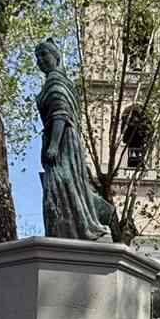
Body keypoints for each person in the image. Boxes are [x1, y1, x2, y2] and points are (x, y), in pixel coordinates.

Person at [35, 38, 113, 240]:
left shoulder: (57, 82)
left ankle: (74, 230)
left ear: (56, 57)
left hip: (63, 143)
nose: (40, 60)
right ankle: (73, 228)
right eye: (38, 57)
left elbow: (60, 114)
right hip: (65, 141)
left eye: (44, 55)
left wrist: (53, 146)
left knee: (58, 186)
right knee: (66, 187)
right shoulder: (58, 81)